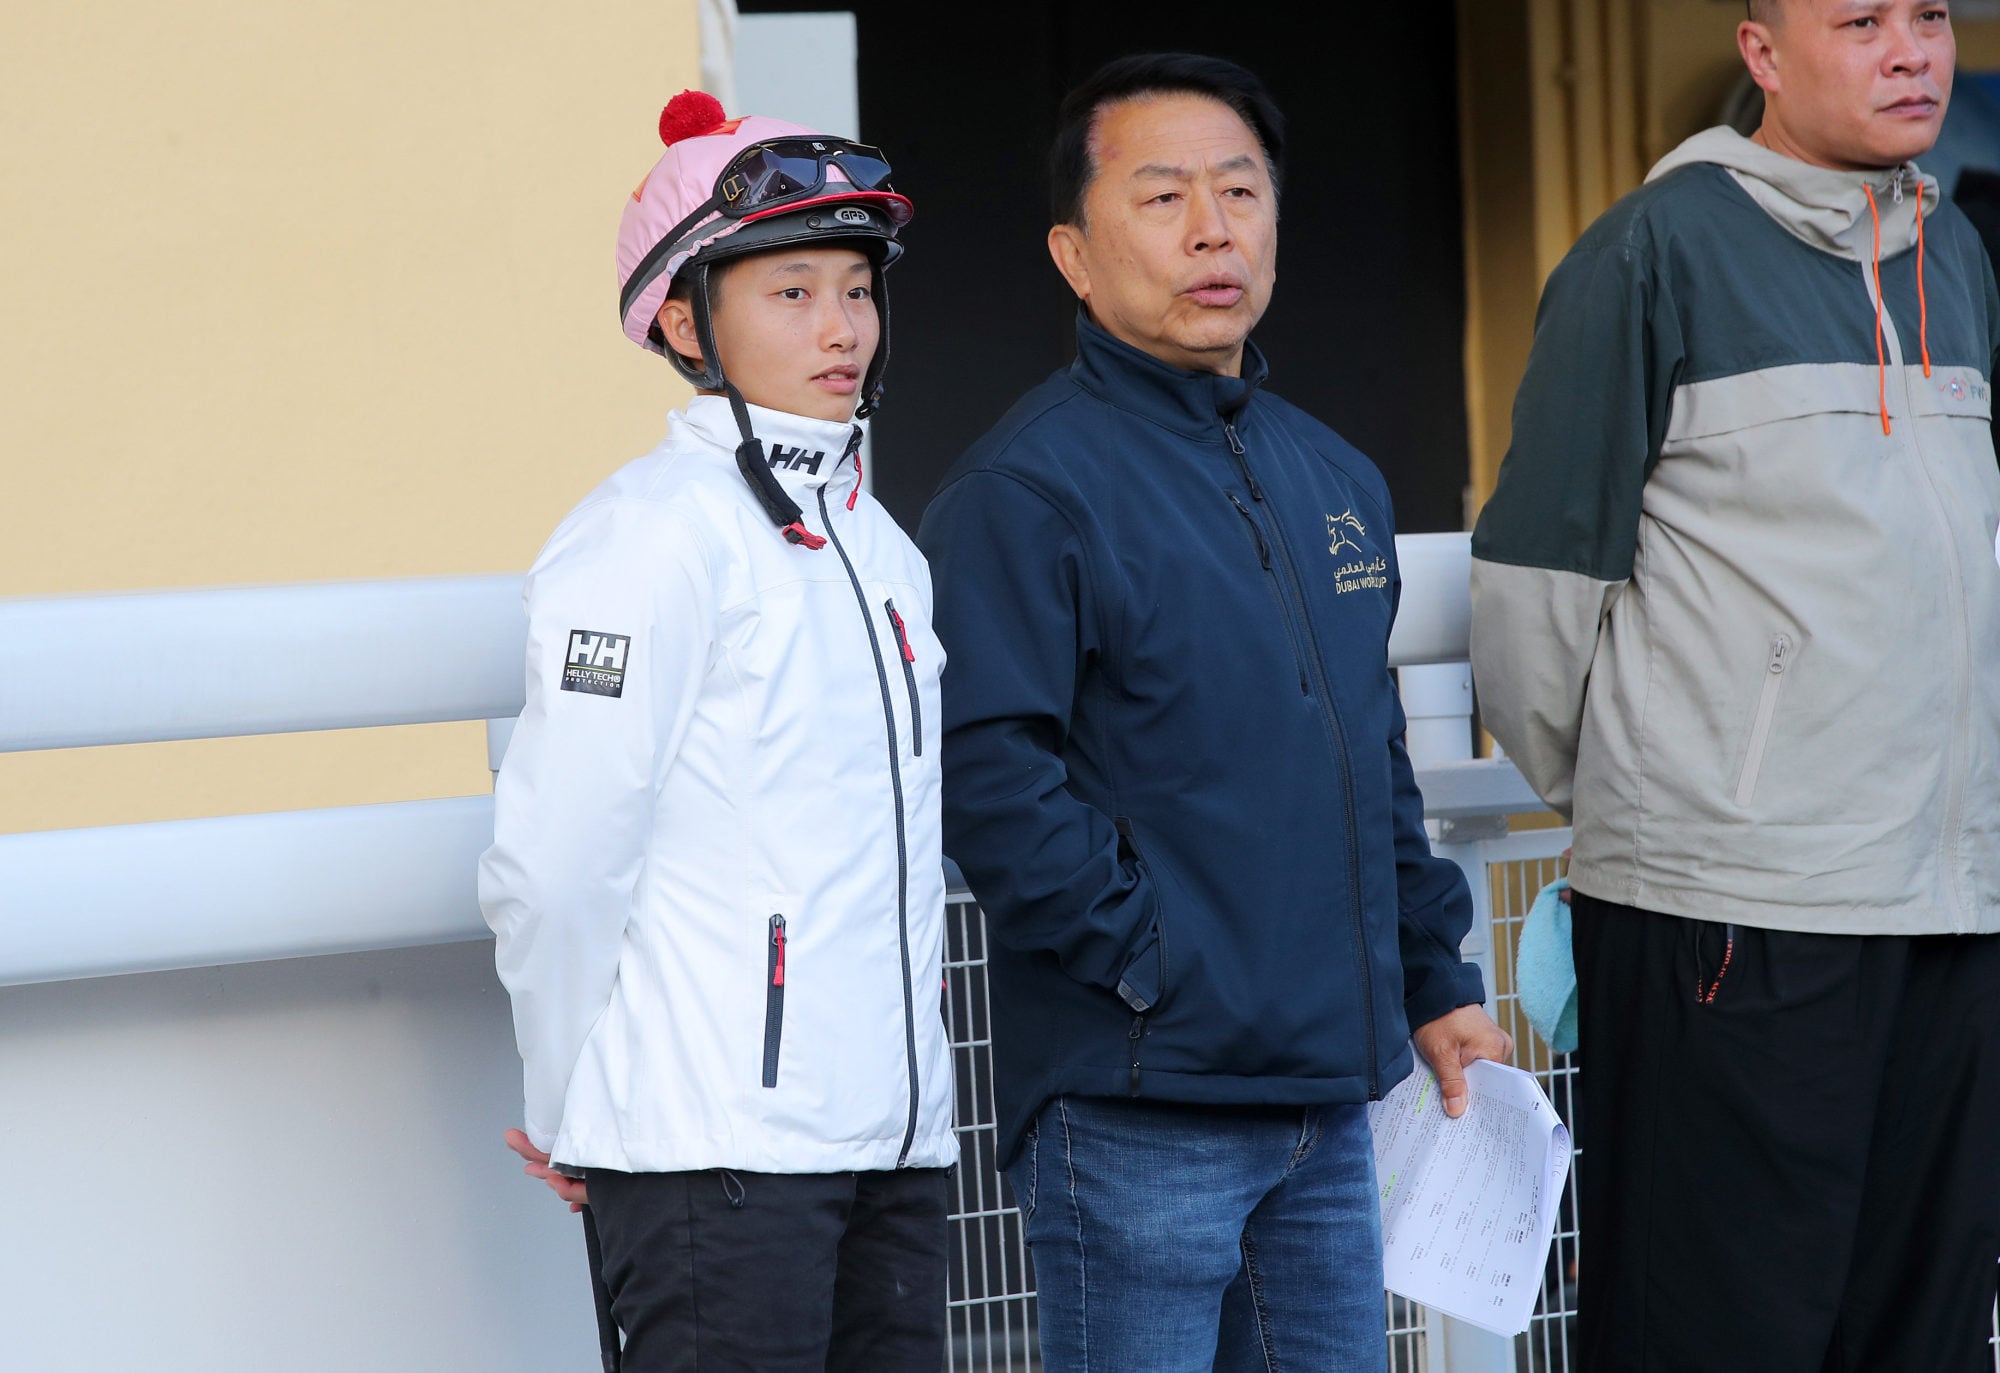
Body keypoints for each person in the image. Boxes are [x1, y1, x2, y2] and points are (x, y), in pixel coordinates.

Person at [917, 53, 1510, 1372]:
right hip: (1142, 1095)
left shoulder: (1329, 473)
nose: (1212, 230)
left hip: (1325, 1092)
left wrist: (1431, 979)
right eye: (1165, 196)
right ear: (1074, 254)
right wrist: (1153, 958)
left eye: (1241, 192)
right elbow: (986, 774)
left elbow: (1374, 761)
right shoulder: (1023, 490)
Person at [1469, 2, 2000, 1368]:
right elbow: (1535, 593)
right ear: (1762, 53)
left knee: (1922, 1332)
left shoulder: (1962, 255)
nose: (1911, 49)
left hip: (1945, 900)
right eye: (1862, 20)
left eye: (1931, 15)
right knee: (1718, 1331)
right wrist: (1673, 800)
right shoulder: (1653, 251)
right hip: (1732, 910)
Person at [477, 90, 956, 1372]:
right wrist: (567, 1097)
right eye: (789, 291)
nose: (842, 325)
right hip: (713, 1154)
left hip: (891, 1148)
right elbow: (558, 854)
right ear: (685, 317)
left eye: (856, 287)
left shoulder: (881, 545)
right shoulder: (645, 533)